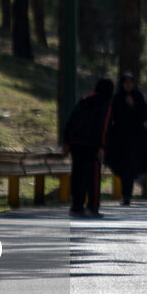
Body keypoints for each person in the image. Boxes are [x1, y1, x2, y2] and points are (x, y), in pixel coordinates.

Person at [62, 78, 114, 218]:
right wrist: (101, 147)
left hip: (76, 143)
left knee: (77, 175)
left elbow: (71, 120)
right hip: (92, 146)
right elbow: (102, 127)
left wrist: (66, 141)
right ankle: (93, 207)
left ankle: (76, 206)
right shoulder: (105, 104)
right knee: (93, 178)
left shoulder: (84, 100)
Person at [107, 71, 147, 206]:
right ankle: (125, 195)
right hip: (120, 139)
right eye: (125, 82)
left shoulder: (137, 96)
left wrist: (133, 105)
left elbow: (145, 116)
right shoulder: (117, 97)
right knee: (122, 167)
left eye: (130, 82)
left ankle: (128, 195)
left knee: (132, 167)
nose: (128, 85)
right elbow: (112, 117)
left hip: (135, 139)